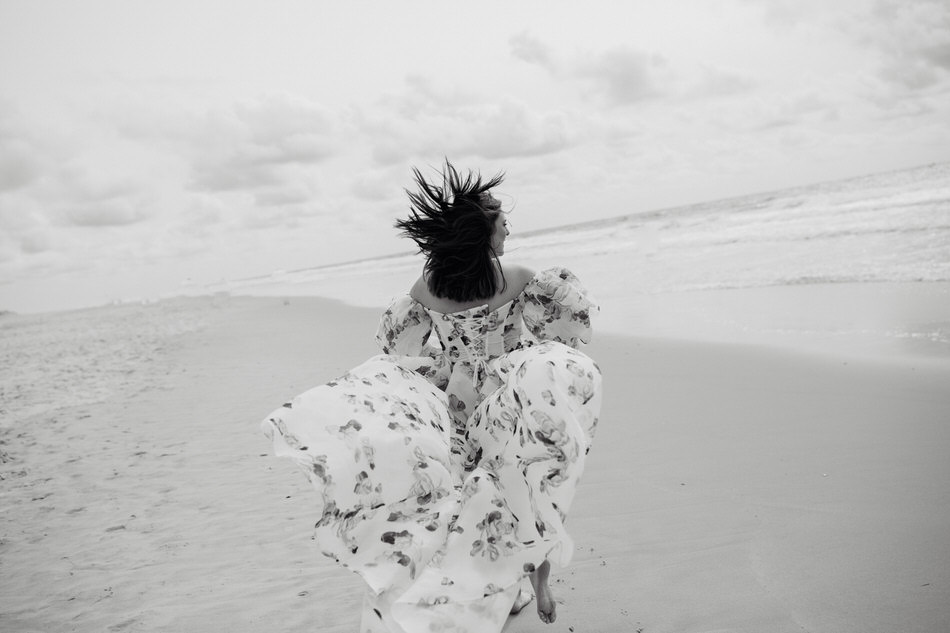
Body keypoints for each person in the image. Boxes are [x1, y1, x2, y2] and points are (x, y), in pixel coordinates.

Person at [262, 161, 603, 633]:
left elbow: (400, 347)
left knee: (464, 495)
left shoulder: (426, 289)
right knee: (529, 482)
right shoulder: (521, 277)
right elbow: (559, 331)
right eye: (504, 224)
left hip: (457, 402)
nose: (509, 231)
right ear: (483, 235)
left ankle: (463, 581)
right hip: (510, 394)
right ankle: (537, 582)